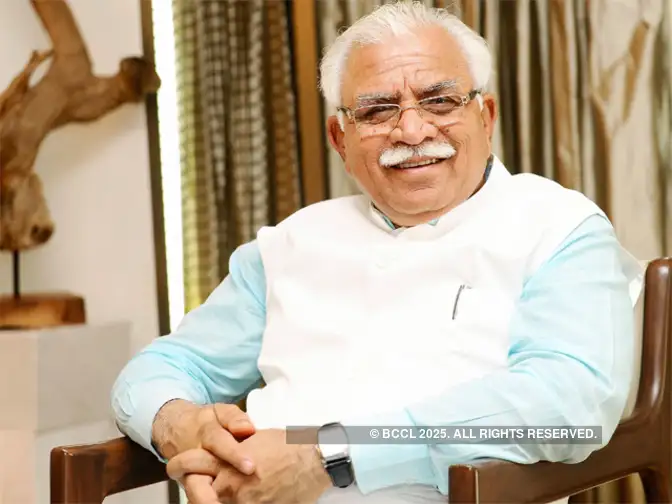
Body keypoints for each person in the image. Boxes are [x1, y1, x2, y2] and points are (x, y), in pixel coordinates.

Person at [111, 2, 643, 503]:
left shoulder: (557, 226)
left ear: (486, 117)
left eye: (439, 101)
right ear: (340, 139)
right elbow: (161, 368)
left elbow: (569, 405)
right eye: (377, 111)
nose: (411, 130)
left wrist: (330, 454)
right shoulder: (289, 245)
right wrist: (183, 425)